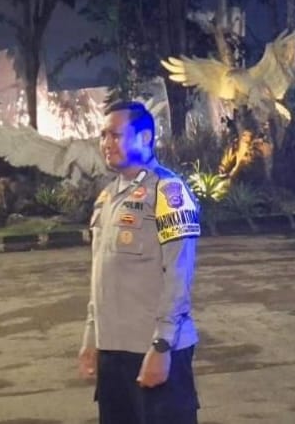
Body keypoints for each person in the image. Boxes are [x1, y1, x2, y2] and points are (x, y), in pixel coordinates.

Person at [79, 101, 201, 424]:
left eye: (116, 135)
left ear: (145, 138)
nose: (106, 143)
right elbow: (101, 277)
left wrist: (162, 346)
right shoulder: (107, 197)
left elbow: (179, 275)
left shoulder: (168, 192)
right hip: (113, 352)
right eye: (103, 135)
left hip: (155, 349)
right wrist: (92, 337)